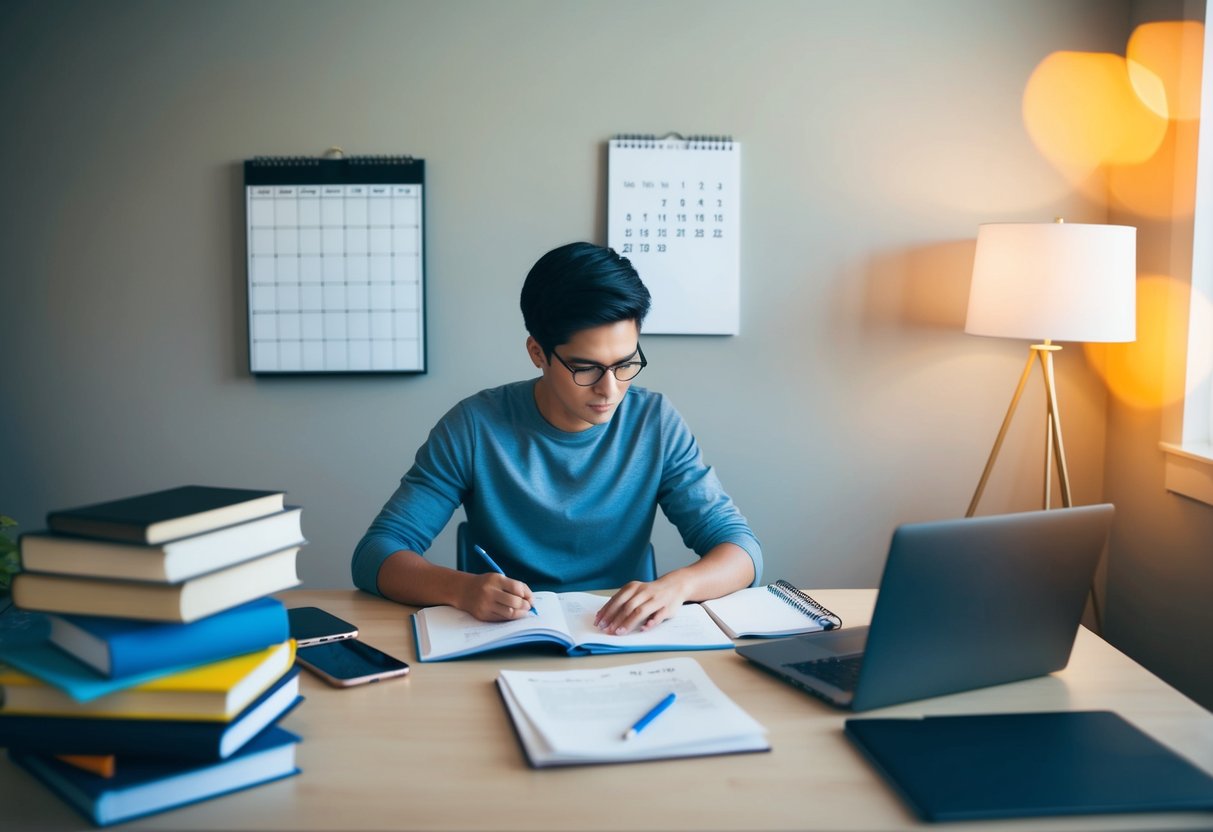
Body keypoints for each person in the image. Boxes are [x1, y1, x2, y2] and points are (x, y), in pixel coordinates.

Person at [351, 242, 761, 635]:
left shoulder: (654, 422)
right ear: (537, 353)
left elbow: (741, 550)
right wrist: (460, 589)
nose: (610, 389)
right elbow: (377, 553)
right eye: (586, 368)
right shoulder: (475, 426)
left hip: (619, 639)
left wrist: (680, 586)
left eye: (625, 364)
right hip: (506, 636)